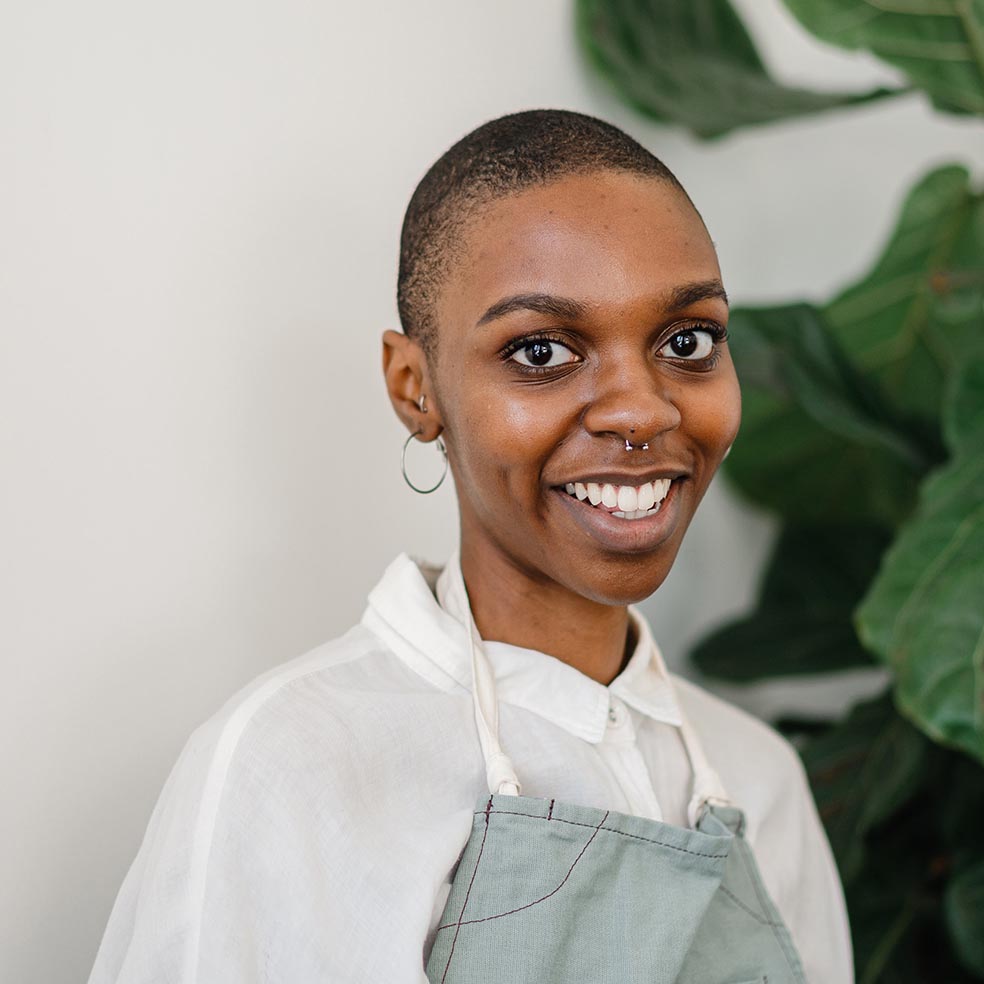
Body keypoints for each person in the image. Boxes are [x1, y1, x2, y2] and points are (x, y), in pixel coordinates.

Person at [89, 110, 853, 983]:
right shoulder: (295, 765)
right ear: (416, 390)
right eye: (540, 351)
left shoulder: (762, 780)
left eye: (688, 342)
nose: (642, 410)